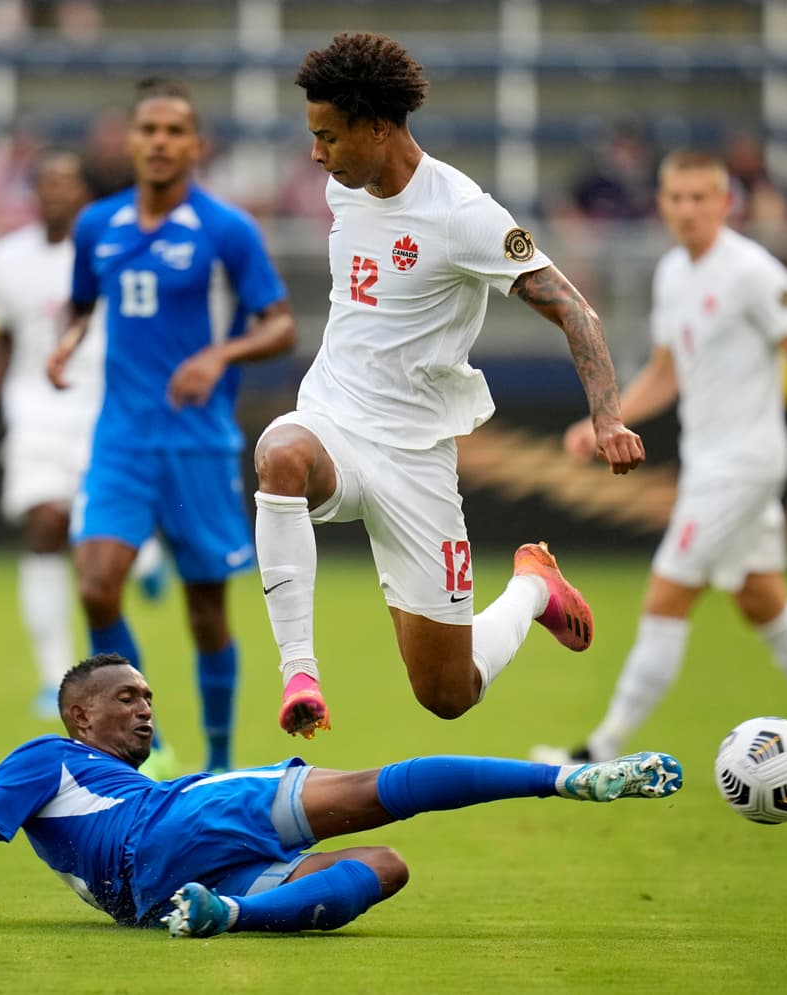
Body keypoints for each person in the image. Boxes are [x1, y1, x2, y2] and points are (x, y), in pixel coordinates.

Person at [254, 33, 645, 739]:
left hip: (415, 458)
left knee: (448, 692)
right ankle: (299, 674)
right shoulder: (343, 189)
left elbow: (572, 306)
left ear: (378, 127)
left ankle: (533, 587)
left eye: (328, 137)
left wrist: (608, 418)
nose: (317, 155)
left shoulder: (464, 214)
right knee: (279, 453)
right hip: (334, 422)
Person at [0, 653, 684, 937]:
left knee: (382, 865)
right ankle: (570, 778)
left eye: (149, 699)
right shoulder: (46, 755)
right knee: (378, 791)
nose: (143, 710)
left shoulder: (107, 774)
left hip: (155, 892)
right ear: (78, 717)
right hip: (176, 820)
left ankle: (230, 915)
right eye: (125, 698)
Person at [531, 150, 787, 789]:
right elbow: (667, 372)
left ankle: (596, 752)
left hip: (743, 467)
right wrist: (603, 419)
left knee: (666, 595)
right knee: (762, 600)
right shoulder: (672, 273)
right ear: (661, 203)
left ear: (726, 203)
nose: (688, 209)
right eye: (676, 198)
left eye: (701, 197)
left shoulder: (753, 272)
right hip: (711, 465)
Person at [47, 79, 296, 776]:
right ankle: (143, 748)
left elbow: (279, 324)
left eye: (174, 131)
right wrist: (67, 342)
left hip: (196, 441)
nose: (159, 142)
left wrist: (220, 353)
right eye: (148, 129)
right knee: (96, 584)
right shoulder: (98, 225)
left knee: (206, 609)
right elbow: (80, 304)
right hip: (121, 438)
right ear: (129, 141)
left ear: (195, 145)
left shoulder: (226, 229)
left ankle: (217, 760)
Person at [0, 150, 163, 720]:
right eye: (44, 182)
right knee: (46, 521)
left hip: (106, 405)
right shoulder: (4, 260)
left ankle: (146, 554)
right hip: (36, 409)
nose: (54, 192)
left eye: (66, 183)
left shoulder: (115, 249)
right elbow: (3, 334)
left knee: (96, 526)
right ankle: (54, 679)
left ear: (85, 194)